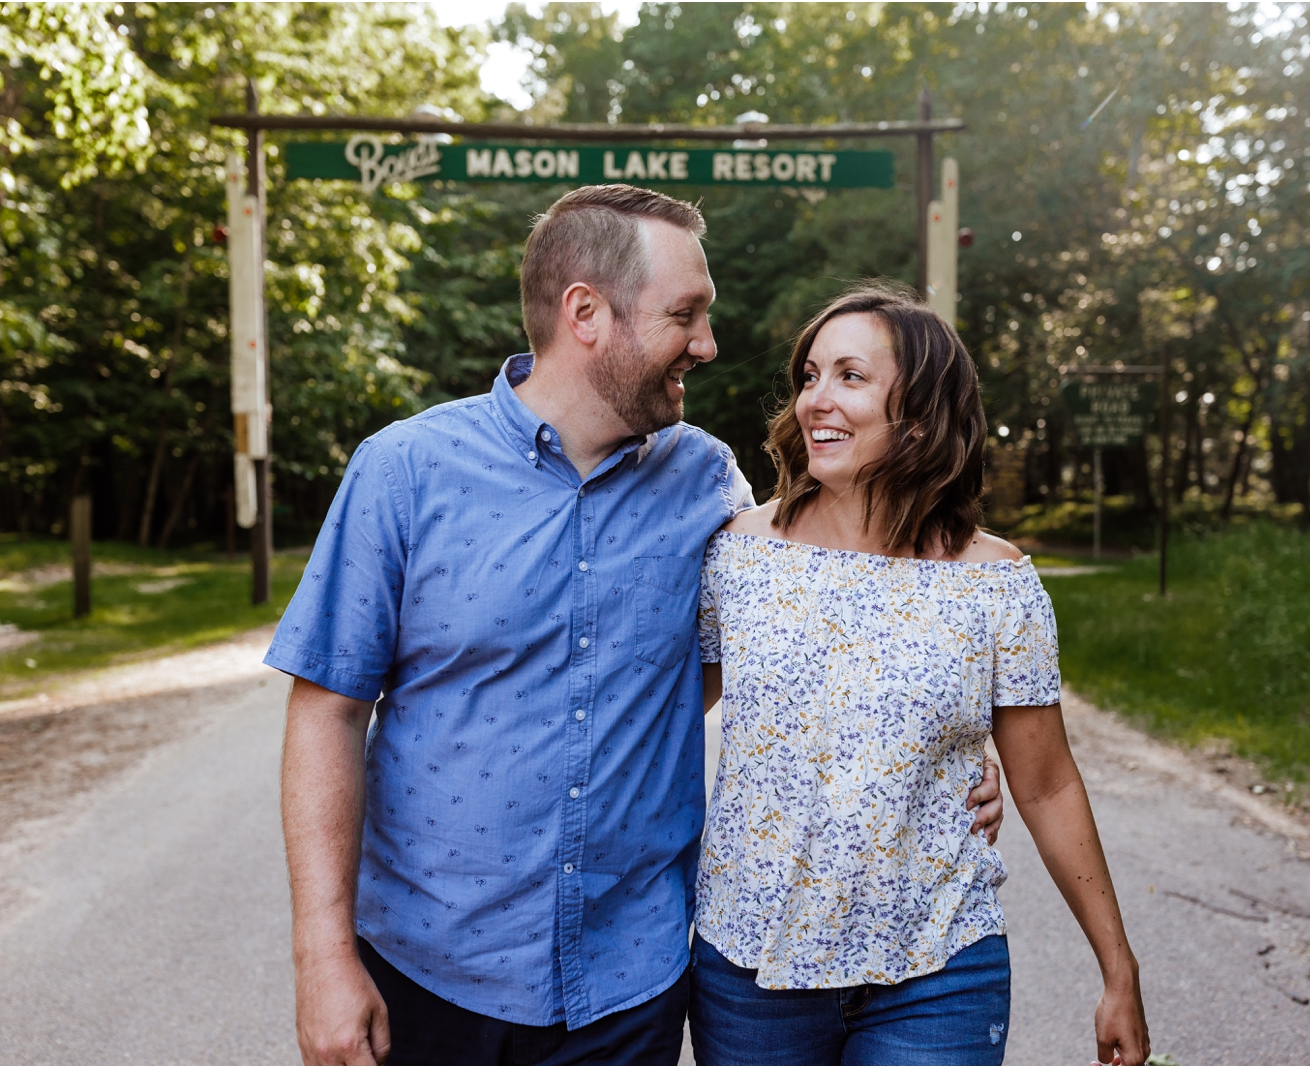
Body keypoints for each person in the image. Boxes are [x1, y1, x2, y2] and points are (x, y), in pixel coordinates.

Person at [268, 185, 1013, 1066]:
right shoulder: (405, 472)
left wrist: (943, 746)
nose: (708, 344)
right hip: (429, 972)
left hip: (630, 984)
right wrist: (323, 958)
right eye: (685, 315)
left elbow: (821, 626)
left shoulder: (707, 485)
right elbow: (328, 711)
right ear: (587, 312)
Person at [688, 284, 1150, 1067]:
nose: (815, 400)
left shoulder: (996, 584)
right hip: (751, 962)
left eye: (849, 376)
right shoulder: (737, 554)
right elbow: (653, 721)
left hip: (938, 967)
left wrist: (1119, 968)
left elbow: (1047, 785)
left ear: (921, 413)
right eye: (808, 376)